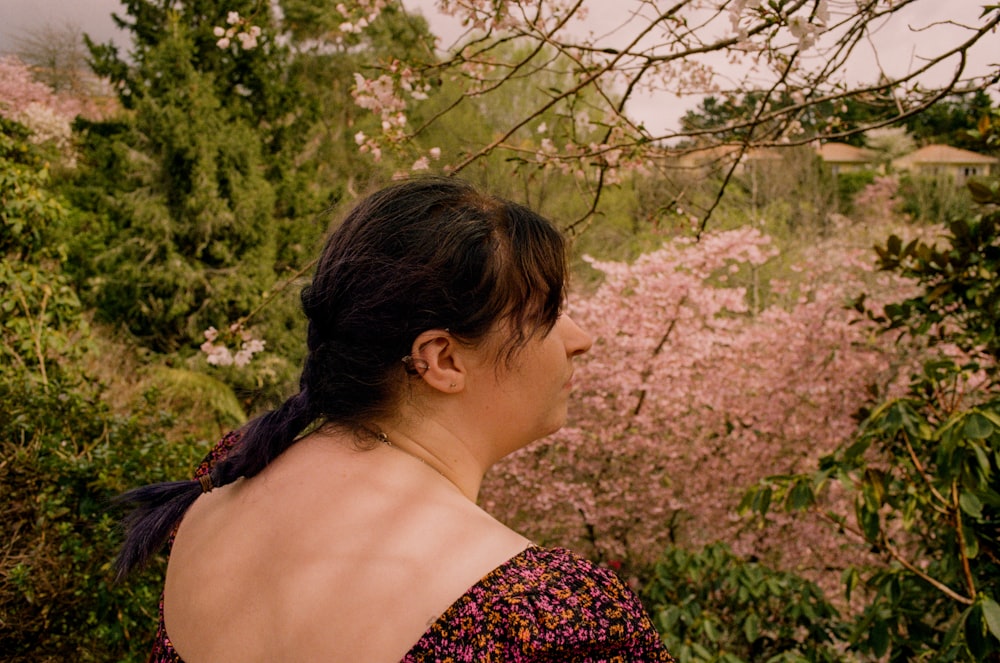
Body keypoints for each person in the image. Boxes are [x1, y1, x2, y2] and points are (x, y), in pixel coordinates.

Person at [115, 177, 675, 662]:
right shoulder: (543, 617)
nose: (582, 340)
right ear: (444, 359)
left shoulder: (227, 479)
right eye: (550, 314)